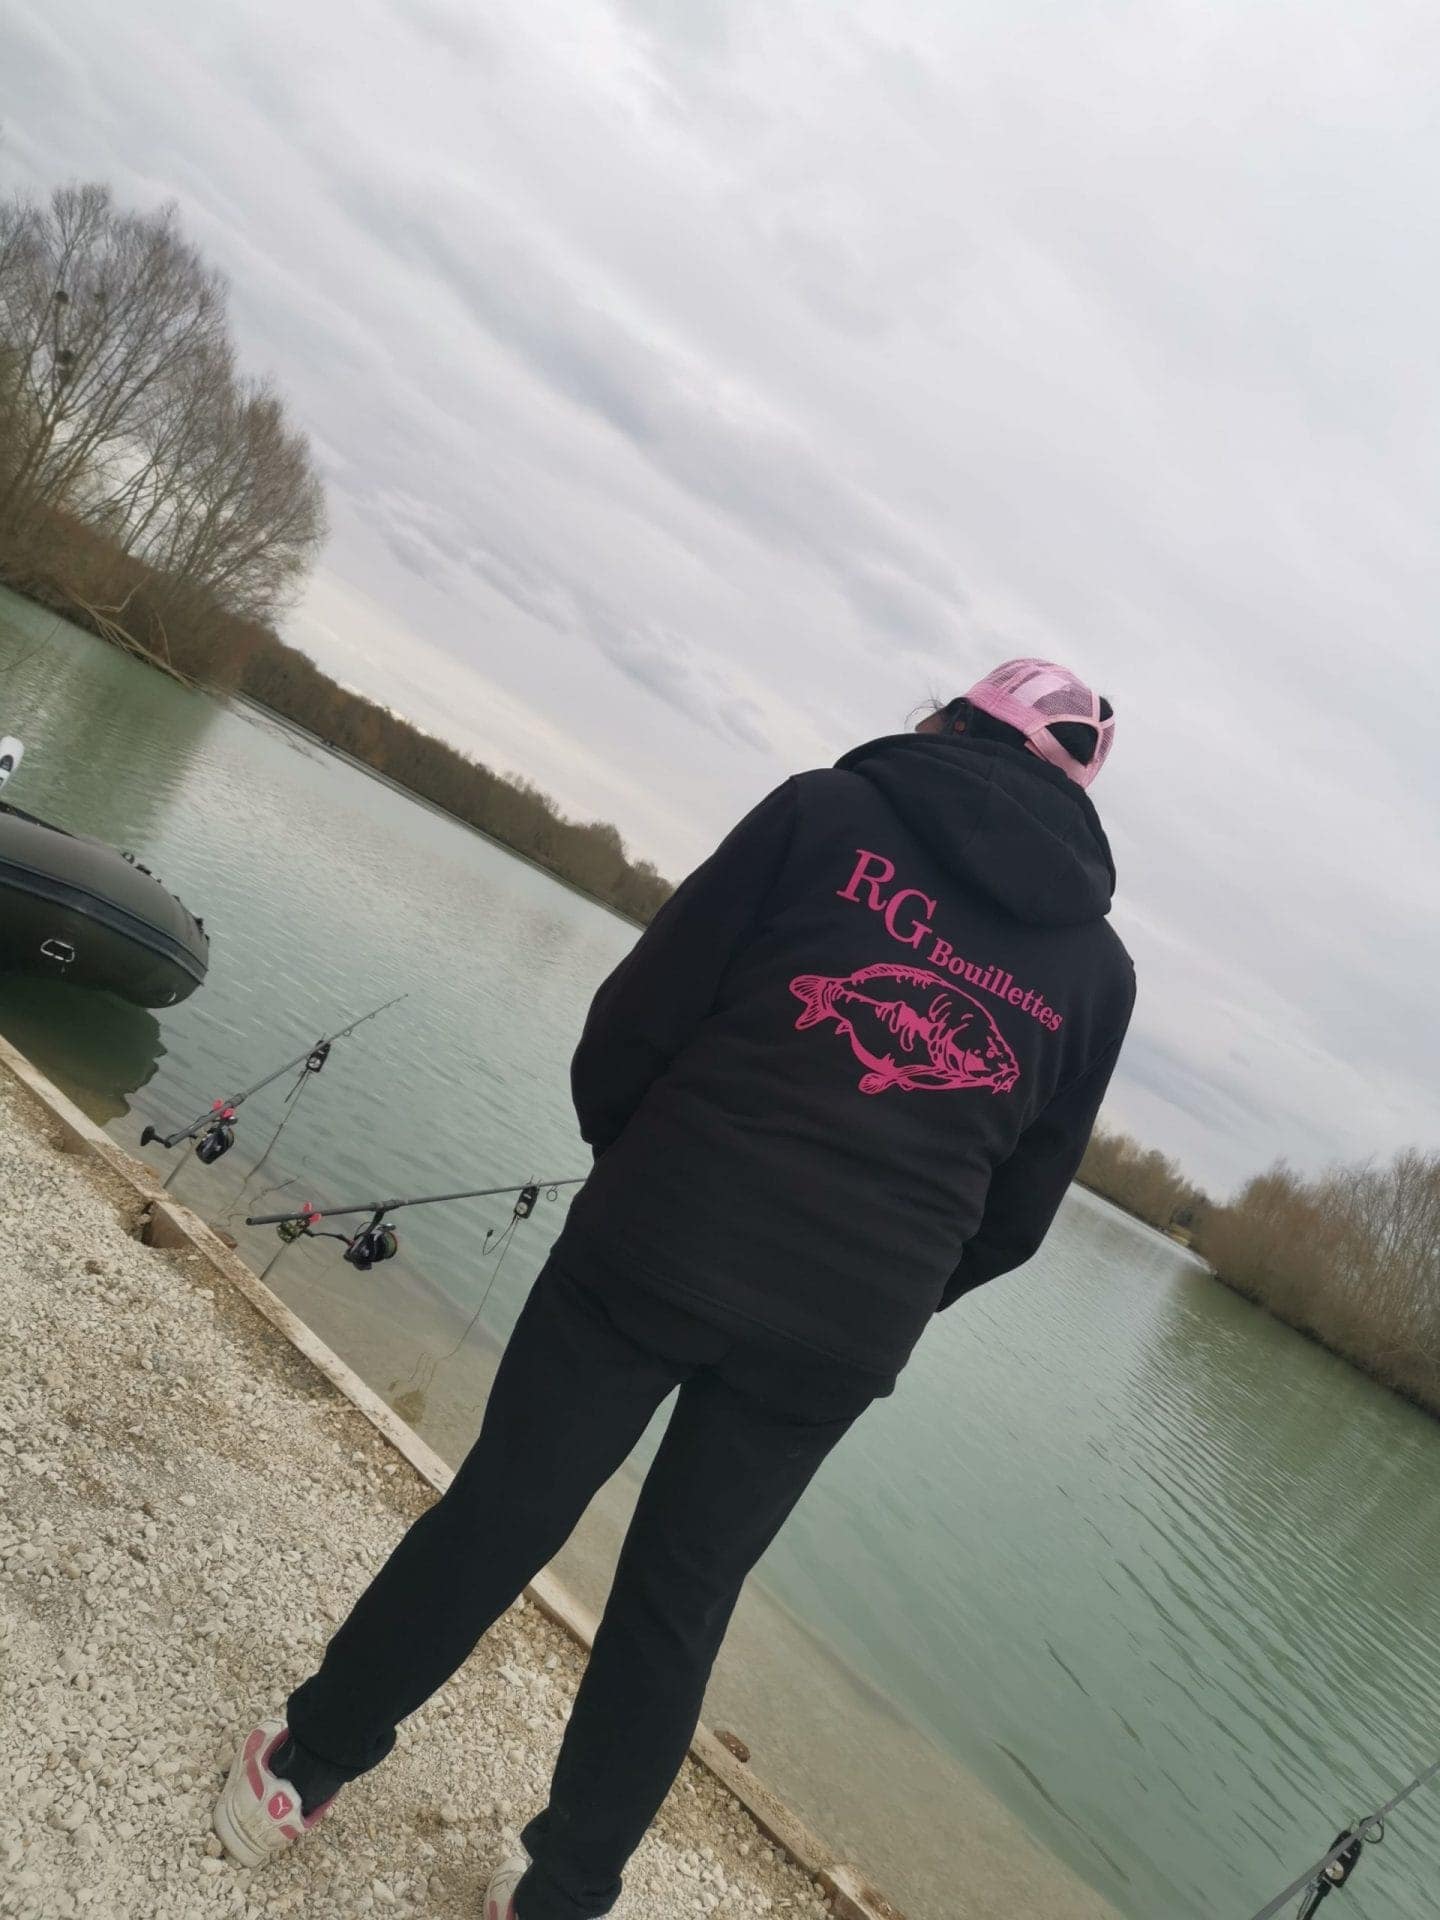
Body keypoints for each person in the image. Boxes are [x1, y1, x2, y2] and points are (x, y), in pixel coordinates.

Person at [214, 657, 1136, 1920]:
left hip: (658, 1237)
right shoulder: (1098, 976)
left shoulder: (824, 811)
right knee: (680, 1603)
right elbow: (1015, 1222)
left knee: (507, 1509)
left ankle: (301, 1774)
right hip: (841, 1332)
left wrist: (638, 1162)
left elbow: (636, 1017)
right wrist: (884, 1286)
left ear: (957, 721)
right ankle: (561, 1894)